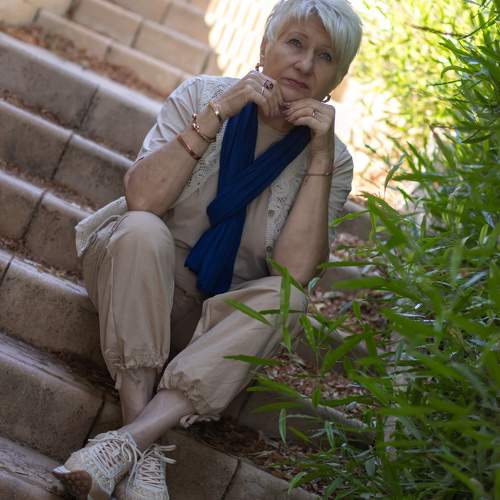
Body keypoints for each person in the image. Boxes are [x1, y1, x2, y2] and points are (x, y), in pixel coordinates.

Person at [52, 0, 363, 498]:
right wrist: (218, 113)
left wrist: (321, 154)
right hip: (136, 280)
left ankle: (124, 445)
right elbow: (143, 199)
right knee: (141, 228)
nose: (305, 64)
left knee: (289, 298)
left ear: (337, 78)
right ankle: (143, 441)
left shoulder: (332, 158)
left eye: (325, 57)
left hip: (212, 327)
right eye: (295, 43)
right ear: (266, 45)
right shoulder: (202, 95)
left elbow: (295, 271)